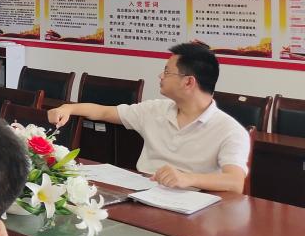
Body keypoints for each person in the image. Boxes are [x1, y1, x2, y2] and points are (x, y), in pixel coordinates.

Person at [48, 42, 250, 194]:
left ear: (188, 82)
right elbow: (103, 112)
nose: (160, 76)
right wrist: (68, 108)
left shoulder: (229, 130)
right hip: (142, 194)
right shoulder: (155, 110)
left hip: (193, 206)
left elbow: (235, 182)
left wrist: (187, 179)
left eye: (167, 72)